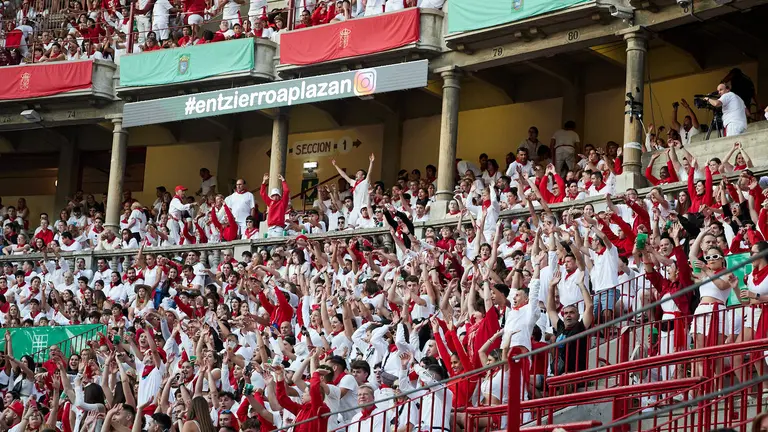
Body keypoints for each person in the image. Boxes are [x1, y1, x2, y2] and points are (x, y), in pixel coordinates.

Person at [259, 173, 290, 237]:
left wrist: (283, 181)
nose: (275, 196)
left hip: (278, 228)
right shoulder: (270, 202)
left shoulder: (283, 203)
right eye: (273, 195)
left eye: (276, 195)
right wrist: (264, 182)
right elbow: (262, 193)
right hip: (270, 228)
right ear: (271, 197)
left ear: (279, 196)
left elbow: (286, 191)